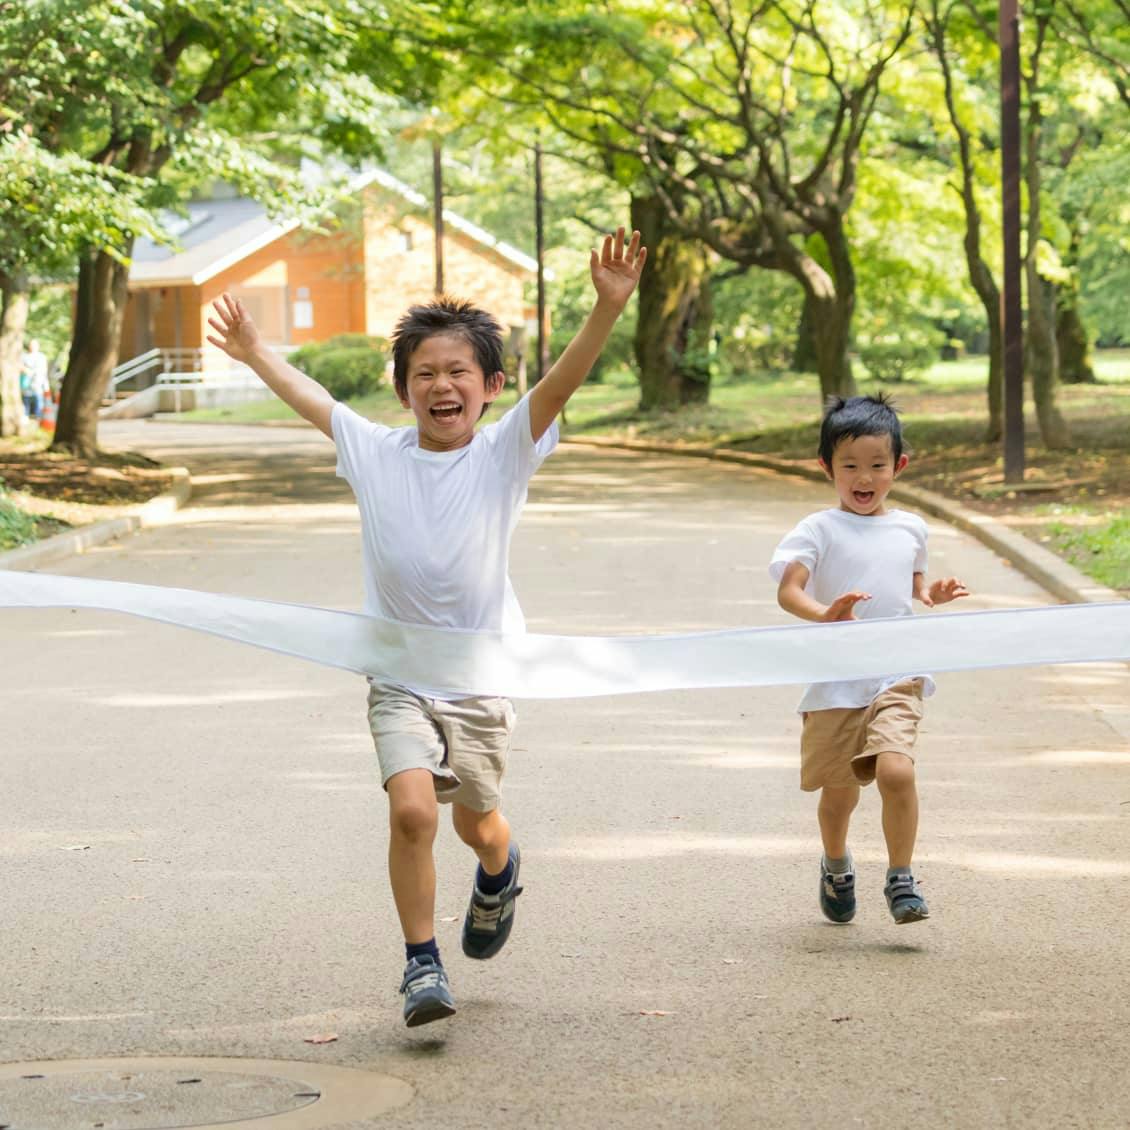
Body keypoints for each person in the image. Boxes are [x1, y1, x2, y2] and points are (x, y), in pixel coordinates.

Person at [207, 227, 646, 1026]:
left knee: (476, 821)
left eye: (457, 373)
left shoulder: (506, 452)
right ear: (404, 388)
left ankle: (501, 865)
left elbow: (559, 385)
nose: (441, 386)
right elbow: (313, 399)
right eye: (424, 375)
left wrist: (607, 309)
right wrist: (255, 352)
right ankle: (420, 965)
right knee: (412, 811)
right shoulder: (374, 452)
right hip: (400, 670)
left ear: (489, 385)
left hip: (481, 676)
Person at [769, 394, 969, 926]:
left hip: (897, 673)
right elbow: (790, 591)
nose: (864, 477)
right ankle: (836, 865)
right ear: (826, 467)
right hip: (836, 680)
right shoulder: (816, 529)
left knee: (896, 772)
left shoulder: (911, 527)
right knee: (839, 794)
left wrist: (935, 594)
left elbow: (914, 584)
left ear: (898, 466)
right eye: (850, 466)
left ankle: (901, 877)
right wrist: (823, 614)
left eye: (877, 465)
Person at [20, 339, 50, 421]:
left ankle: (38, 418)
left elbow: (44, 371)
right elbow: (20, 367)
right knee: (26, 402)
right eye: (31, 345)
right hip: (26, 384)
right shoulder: (24, 356)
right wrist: (25, 370)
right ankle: (25, 417)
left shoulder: (41, 357)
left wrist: (45, 384)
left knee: (38, 402)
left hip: (38, 384)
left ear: (38, 346)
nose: (32, 347)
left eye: (34, 345)